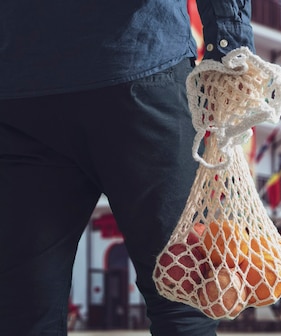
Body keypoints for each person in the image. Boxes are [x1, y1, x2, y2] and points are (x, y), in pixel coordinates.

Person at [0, 1, 254, 335]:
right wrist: (231, 47)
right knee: (182, 296)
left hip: (21, 80)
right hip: (140, 62)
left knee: (25, 313)